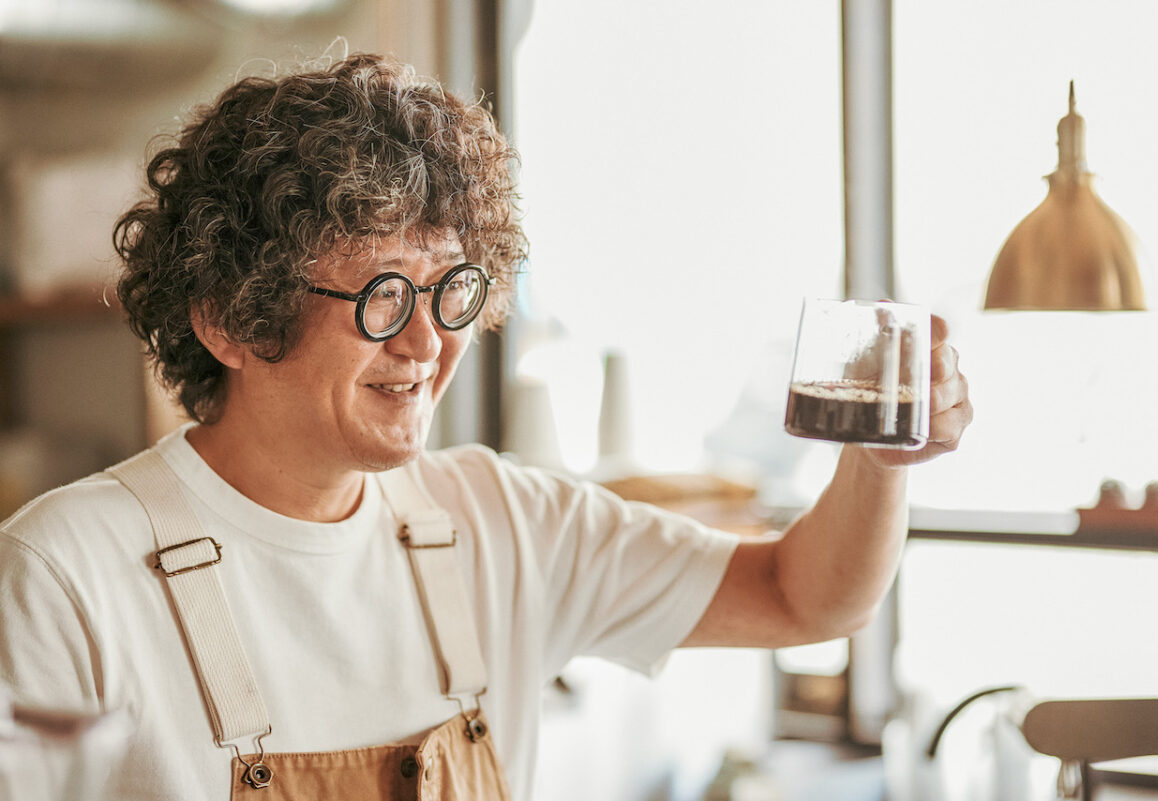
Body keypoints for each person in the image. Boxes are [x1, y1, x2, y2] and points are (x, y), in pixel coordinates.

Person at [0, 53, 972, 801]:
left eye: (452, 290)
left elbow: (808, 598)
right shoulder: (64, 574)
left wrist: (884, 460)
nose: (429, 341)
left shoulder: (502, 519)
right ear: (230, 318)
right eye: (383, 297)